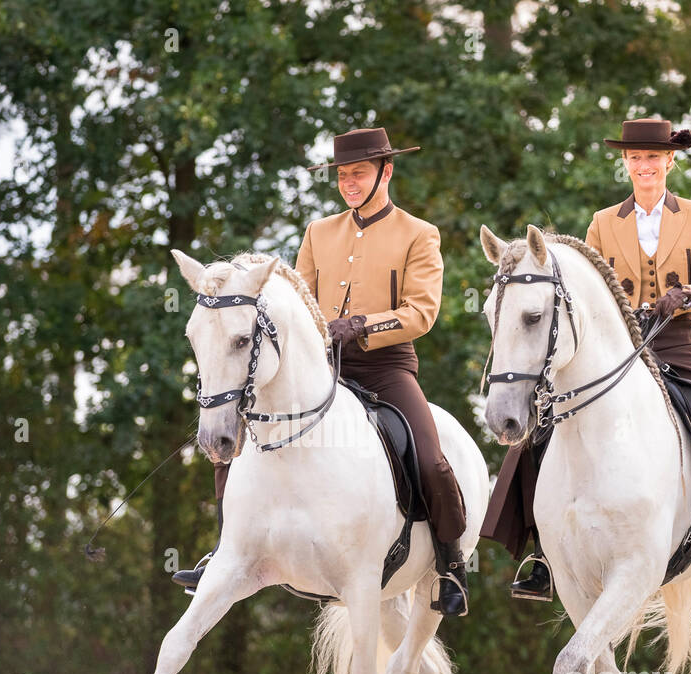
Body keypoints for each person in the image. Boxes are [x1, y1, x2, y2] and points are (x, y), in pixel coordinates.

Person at [172, 127, 471, 615]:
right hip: (320, 366)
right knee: (233, 439)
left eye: (359, 173)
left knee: (431, 459)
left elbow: (422, 312)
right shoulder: (318, 233)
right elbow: (298, 300)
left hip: (384, 366)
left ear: (386, 171)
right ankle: (225, 550)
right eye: (343, 175)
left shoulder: (419, 234)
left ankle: (449, 565)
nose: (349, 183)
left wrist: (361, 324)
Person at [481, 117, 691, 598]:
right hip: (617, 343)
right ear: (626, 163)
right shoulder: (603, 222)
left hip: (678, 338)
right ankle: (542, 554)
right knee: (542, 428)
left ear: (669, 162)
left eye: (654, 158)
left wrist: (686, 296)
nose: (646, 166)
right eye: (637, 158)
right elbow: (586, 291)